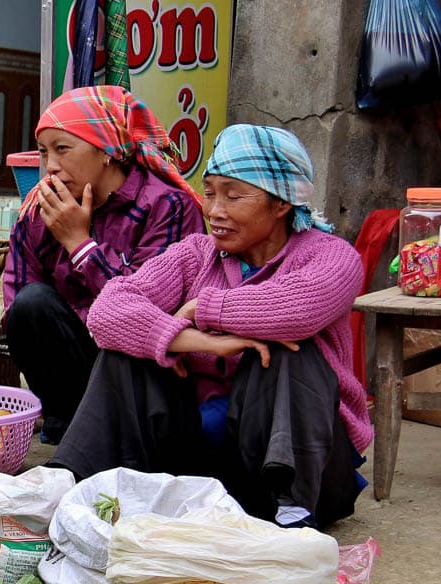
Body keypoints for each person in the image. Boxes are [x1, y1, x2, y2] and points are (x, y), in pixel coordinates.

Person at [52, 124, 374, 531]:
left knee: (292, 349)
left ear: (281, 205)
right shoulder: (195, 255)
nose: (215, 211)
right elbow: (108, 312)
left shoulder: (330, 256)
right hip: (204, 466)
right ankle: (73, 489)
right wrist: (190, 340)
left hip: (307, 467)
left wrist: (203, 307)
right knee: (126, 353)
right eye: (210, 193)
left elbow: (295, 312)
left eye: (233, 195)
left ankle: (291, 515)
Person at [3, 86, 206, 445]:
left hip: (142, 376)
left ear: (107, 149)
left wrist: (79, 245)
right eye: (44, 152)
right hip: (76, 372)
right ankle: (67, 425)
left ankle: (116, 436)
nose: (50, 166)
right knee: (31, 305)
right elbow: (17, 303)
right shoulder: (38, 211)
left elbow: (148, 311)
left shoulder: (167, 205)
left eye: (62, 149)